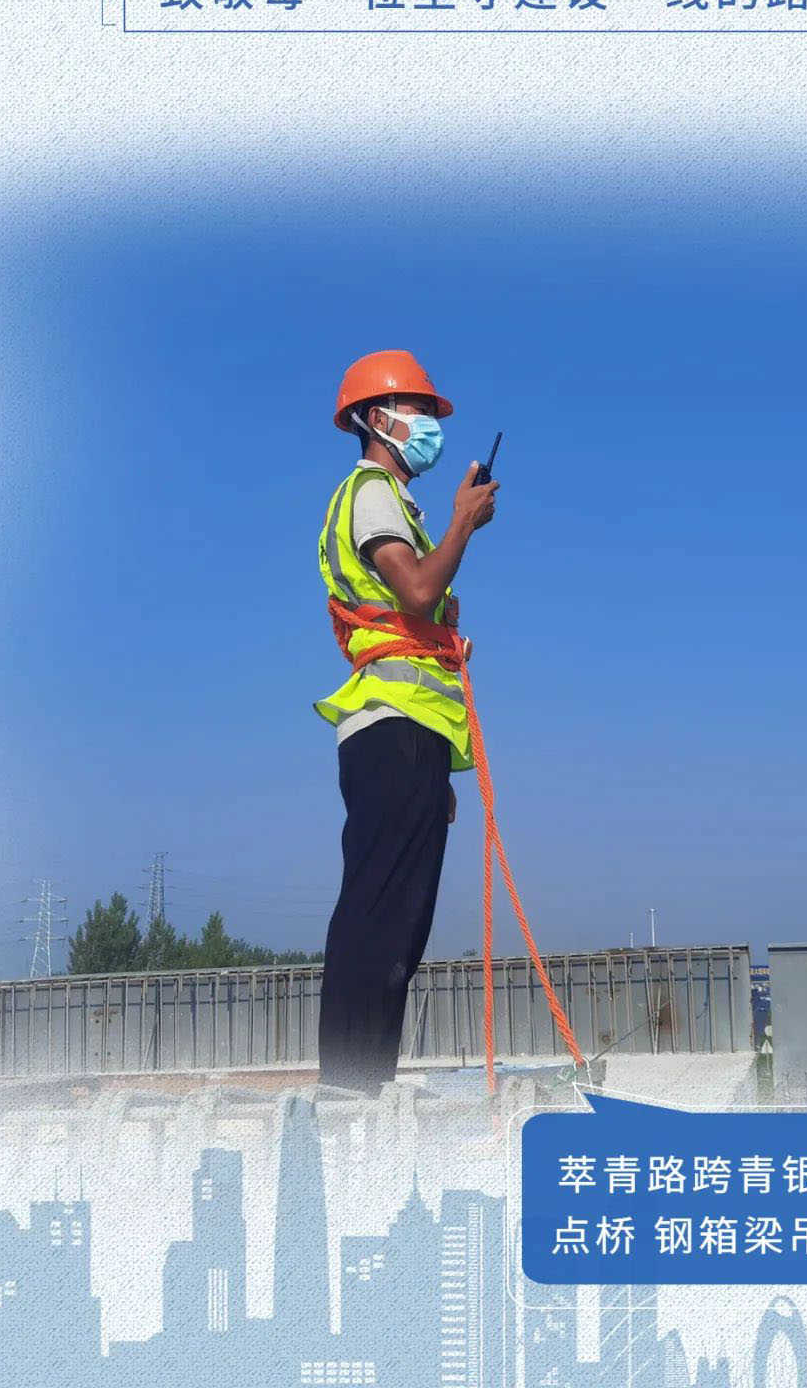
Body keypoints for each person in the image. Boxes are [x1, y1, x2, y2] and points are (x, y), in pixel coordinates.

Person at [313, 350, 498, 1095]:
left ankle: (363, 1085)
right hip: (391, 732)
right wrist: (463, 523)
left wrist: (434, 770)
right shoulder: (371, 493)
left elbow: (411, 618)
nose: (428, 424)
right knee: (381, 916)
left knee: (399, 923)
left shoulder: (395, 506)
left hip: (408, 738)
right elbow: (418, 592)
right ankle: (350, 1090)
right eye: (417, 409)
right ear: (376, 418)